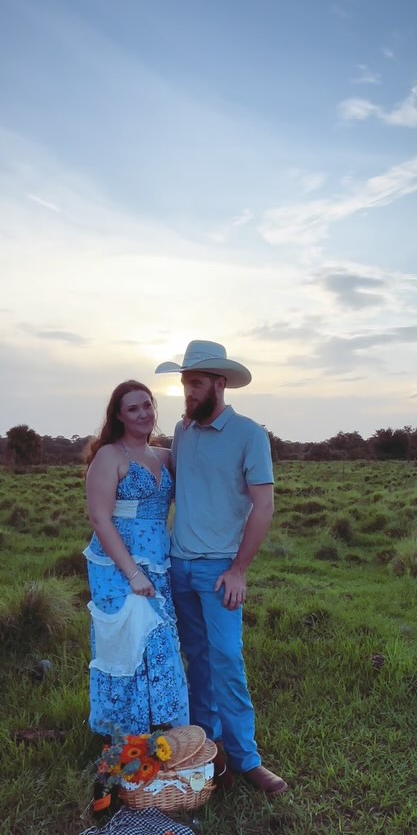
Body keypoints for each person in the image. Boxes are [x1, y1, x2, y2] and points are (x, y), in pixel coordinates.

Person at [155, 341, 289, 797]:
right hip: (179, 566)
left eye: (193, 384)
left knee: (228, 660)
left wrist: (239, 570)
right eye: (183, 384)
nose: (186, 393)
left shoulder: (249, 434)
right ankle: (205, 752)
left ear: (218, 383)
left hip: (219, 571)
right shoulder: (182, 430)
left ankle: (247, 760)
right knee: (196, 658)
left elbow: (264, 505)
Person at [84, 380, 189, 737]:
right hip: (118, 565)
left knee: (160, 643)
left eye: (147, 405)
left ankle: (163, 734)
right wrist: (132, 573)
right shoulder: (110, 455)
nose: (143, 413)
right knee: (131, 644)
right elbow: (99, 518)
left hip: (159, 560)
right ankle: (125, 737)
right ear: (118, 415)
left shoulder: (163, 456)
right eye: (133, 408)